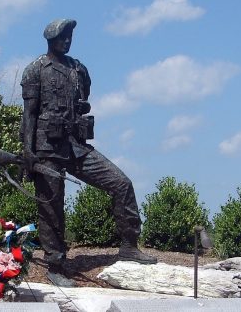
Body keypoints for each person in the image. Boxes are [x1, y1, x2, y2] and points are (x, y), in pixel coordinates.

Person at [20, 19, 157, 286]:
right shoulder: (35, 70)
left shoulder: (78, 69)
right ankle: (56, 265)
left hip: (77, 147)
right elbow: (29, 115)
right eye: (63, 36)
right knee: (51, 206)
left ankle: (129, 245)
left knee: (121, 183)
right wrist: (28, 152)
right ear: (50, 38)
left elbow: (83, 101)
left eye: (70, 36)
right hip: (47, 149)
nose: (68, 41)